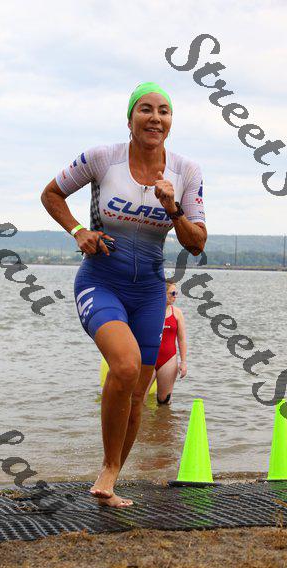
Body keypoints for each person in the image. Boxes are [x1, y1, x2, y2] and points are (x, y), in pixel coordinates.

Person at [41, 82, 207, 508]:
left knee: (137, 394)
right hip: (100, 281)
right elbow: (51, 193)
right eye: (145, 109)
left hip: (150, 291)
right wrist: (78, 230)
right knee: (126, 364)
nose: (155, 118)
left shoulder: (186, 171)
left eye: (164, 111)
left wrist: (173, 208)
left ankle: (111, 475)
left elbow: (196, 243)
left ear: (171, 121)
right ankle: (107, 469)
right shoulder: (101, 158)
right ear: (130, 118)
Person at [145, 281, 187, 405]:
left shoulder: (177, 313)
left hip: (168, 359)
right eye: (172, 293)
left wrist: (183, 362)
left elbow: (181, 339)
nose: (175, 296)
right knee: (139, 398)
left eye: (176, 293)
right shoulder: (148, 311)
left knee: (164, 400)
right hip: (148, 358)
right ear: (162, 293)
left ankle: (163, 418)